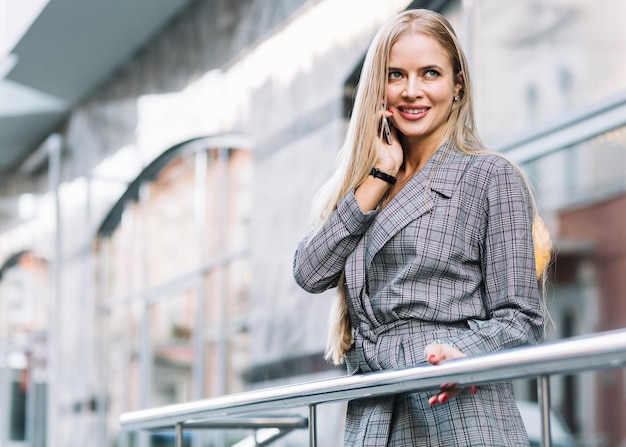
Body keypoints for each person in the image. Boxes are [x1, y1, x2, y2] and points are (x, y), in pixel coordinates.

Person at [293, 8, 551, 447]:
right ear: (379, 88)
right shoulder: (368, 184)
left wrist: (466, 354)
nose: (412, 91)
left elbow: (522, 317)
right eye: (396, 75)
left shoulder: (489, 176)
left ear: (457, 85)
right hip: (375, 415)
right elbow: (309, 271)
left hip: (456, 407)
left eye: (429, 73)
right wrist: (379, 175)